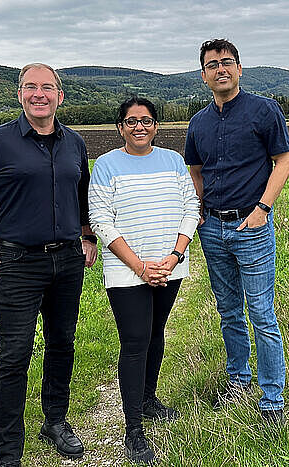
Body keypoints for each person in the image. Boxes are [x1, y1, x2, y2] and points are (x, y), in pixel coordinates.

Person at [0, 63, 97, 467]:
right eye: (30, 87)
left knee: (62, 343)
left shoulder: (75, 143)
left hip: (67, 260)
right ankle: (8, 452)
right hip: (16, 263)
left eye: (47, 87)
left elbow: (82, 196)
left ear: (60, 96)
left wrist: (87, 237)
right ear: (19, 94)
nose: (39, 94)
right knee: (14, 355)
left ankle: (55, 421)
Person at [184, 39, 289, 423]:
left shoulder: (264, 111)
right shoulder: (198, 123)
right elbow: (196, 171)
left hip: (252, 225)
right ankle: (238, 382)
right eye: (212, 65)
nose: (220, 69)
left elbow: (284, 162)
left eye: (226, 62)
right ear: (204, 75)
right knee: (229, 311)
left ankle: (272, 401)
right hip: (212, 228)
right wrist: (197, 212)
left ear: (240, 68)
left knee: (262, 313)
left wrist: (263, 209)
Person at [88, 97, 199, 463]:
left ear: (156, 126)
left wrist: (175, 255)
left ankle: (149, 399)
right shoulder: (106, 165)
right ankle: (133, 429)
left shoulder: (172, 161)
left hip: (169, 266)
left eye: (147, 121)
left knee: (156, 333)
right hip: (126, 271)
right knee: (135, 341)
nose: (140, 127)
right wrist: (139, 266)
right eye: (132, 121)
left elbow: (191, 207)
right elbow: (101, 220)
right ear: (120, 127)